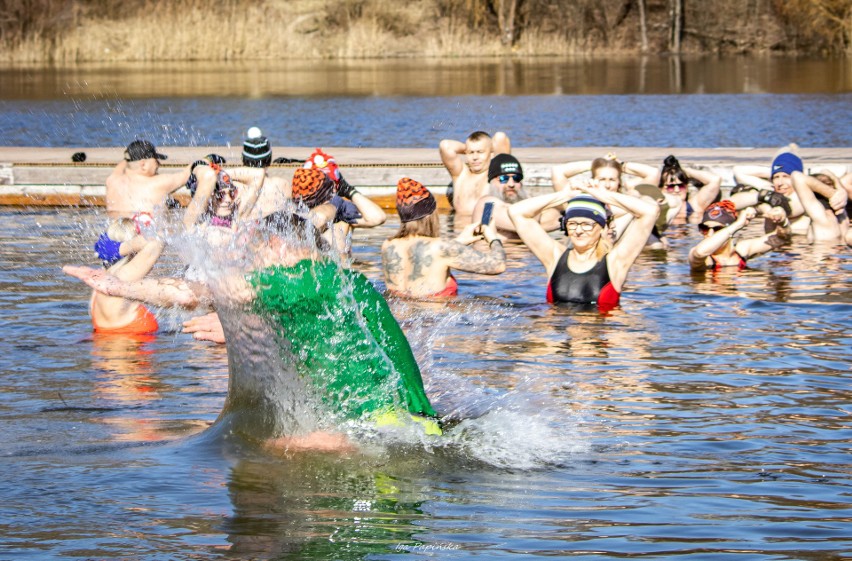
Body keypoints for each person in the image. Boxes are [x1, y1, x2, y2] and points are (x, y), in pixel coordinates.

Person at [65, 210, 442, 448]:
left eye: (254, 254)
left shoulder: (299, 278)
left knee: (261, 447)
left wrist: (121, 287)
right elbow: (326, 336)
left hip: (384, 430)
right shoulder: (338, 280)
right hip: (413, 423)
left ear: (276, 245)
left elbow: (196, 292)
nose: (251, 264)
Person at [508, 183, 659, 310]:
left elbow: (650, 212)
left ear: (601, 227)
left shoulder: (615, 262)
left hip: (600, 338)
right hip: (558, 336)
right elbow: (516, 212)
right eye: (572, 224)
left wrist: (606, 196)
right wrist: (563, 196)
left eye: (587, 225)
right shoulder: (555, 256)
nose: (579, 231)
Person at [381, 178, 506, 299]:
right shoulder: (441, 247)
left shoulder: (388, 245)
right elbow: (498, 265)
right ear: (430, 215)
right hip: (433, 319)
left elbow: (428, 260)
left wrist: (460, 241)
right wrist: (493, 237)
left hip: (397, 317)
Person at [302, 148, 387, 257]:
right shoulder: (300, 214)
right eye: (321, 186)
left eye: (330, 186)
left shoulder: (343, 215)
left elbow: (377, 218)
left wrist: (349, 191)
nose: (327, 191)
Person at [88, 218, 165, 334]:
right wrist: (123, 248)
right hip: (125, 348)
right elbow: (158, 240)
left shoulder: (103, 280)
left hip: (105, 349)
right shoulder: (123, 277)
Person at [471, 154, 561, 237]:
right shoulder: (486, 205)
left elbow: (556, 219)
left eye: (516, 178)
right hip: (493, 254)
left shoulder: (527, 203)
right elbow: (524, 223)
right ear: (491, 181)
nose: (511, 184)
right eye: (503, 179)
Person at [688, 200, 792, 270]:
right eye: (704, 228)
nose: (709, 234)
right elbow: (700, 252)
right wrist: (737, 225)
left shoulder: (742, 250)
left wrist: (783, 221)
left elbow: (781, 238)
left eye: (717, 229)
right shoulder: (705, 259)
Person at [105, 139, 190, 221]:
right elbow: (187, 174)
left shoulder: (112, 180)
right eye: (156, 160)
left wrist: (132, 155)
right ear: (143, 164)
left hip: (114, 233)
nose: (159, 163)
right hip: (144, 233)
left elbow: (124, 163)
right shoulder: (157, 183)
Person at [439, 130, 511, 215]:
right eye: (471, 152)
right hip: (459, 227)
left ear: (491, 153)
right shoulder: (460, 174)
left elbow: (500, 137)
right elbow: (445, 145)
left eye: (480, 152)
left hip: (486, 227)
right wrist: (469, 147)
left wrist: (485, 147)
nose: (475, 157)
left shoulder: (495, 173)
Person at [790, 170, 848, 243]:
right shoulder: (843, 216)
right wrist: (840, 190)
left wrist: (832, 194)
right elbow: (826, 171)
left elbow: (796, 176)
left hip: (821, 252)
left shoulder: (821, 217)